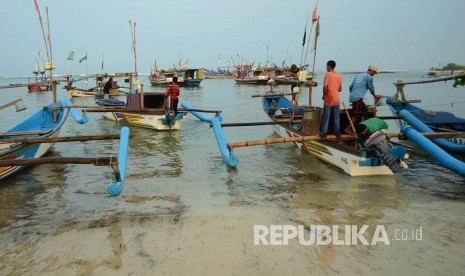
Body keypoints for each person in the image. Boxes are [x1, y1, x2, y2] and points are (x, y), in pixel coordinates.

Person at [320, 60, 342, 138]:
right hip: (336, 99)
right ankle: (338, 133)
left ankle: (323, 133)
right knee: (336, 118)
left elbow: (325, 87)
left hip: (329, 99)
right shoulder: (338, 75)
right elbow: (340, 89)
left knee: (326, 118)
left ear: (329, 66)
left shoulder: (328, 74)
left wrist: (323, 95)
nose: (326, 67)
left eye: (326, 65)